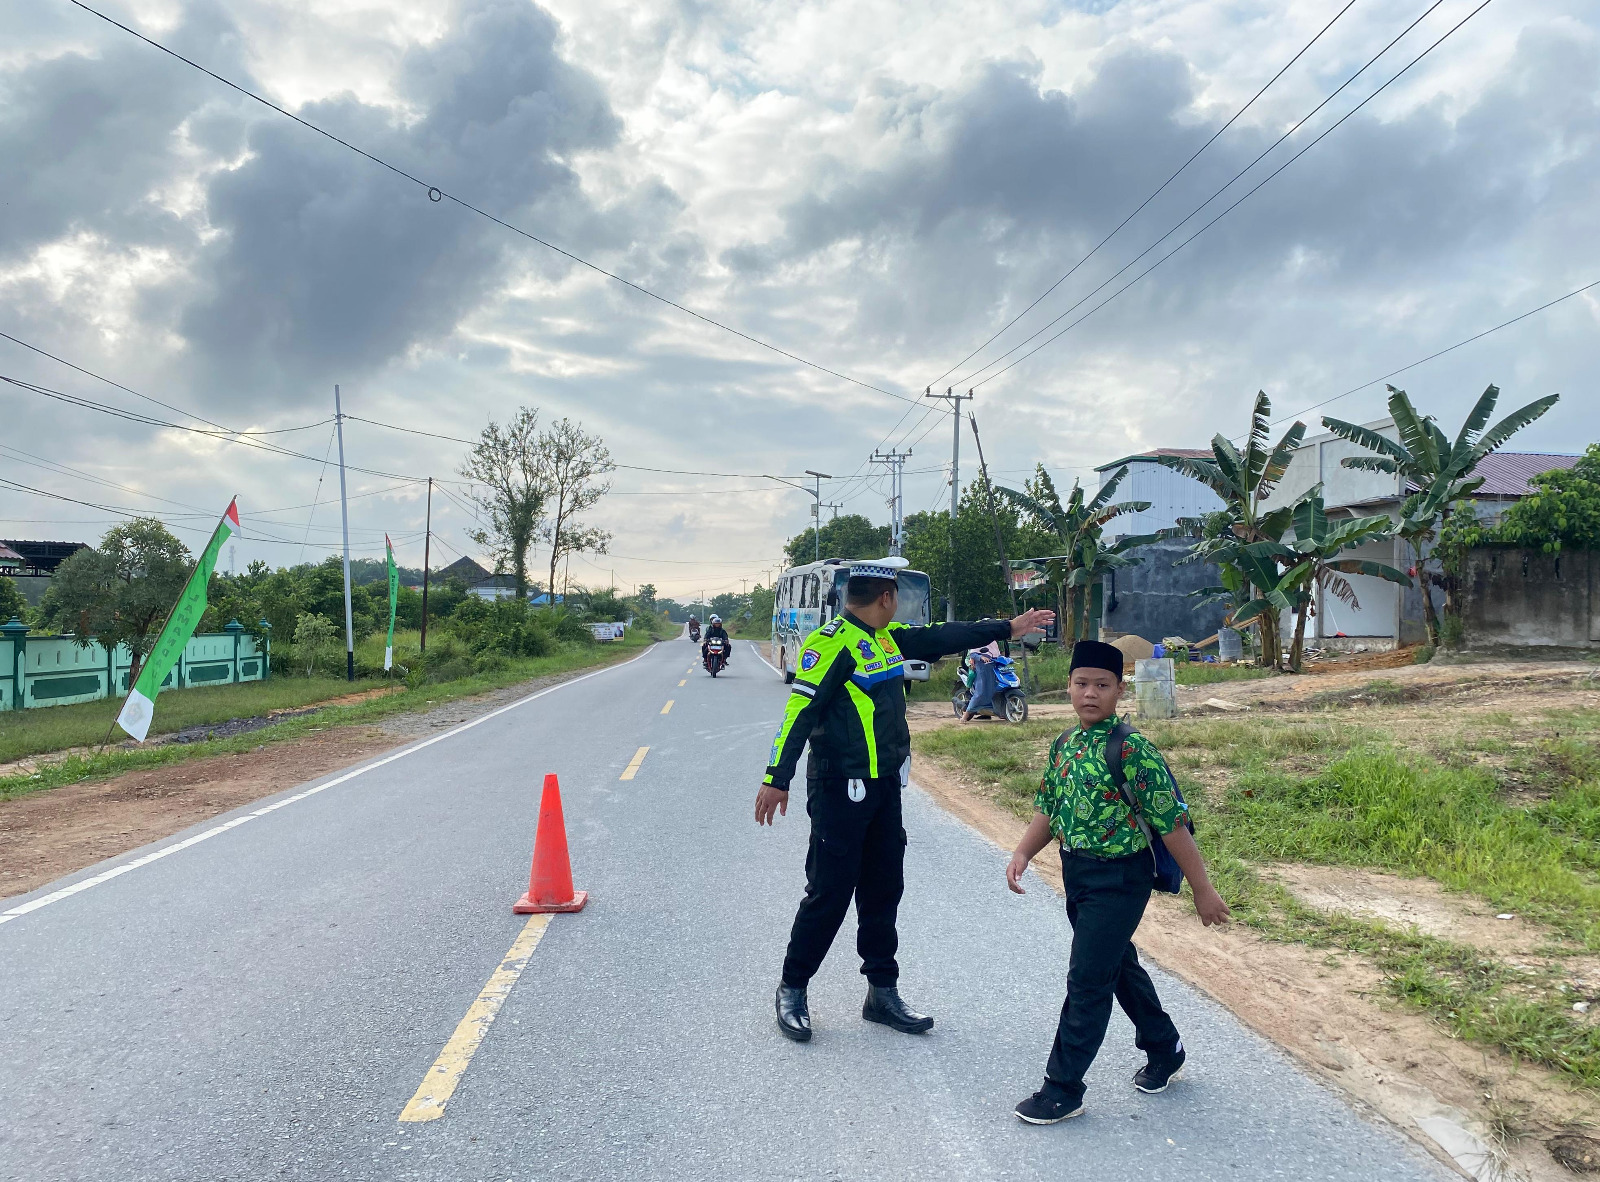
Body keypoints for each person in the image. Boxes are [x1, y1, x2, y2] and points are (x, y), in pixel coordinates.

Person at [755, 557, 1053, 1042]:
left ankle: (882, 992)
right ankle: (792, 987)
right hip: (839, 789)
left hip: (883, 788)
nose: (901, 611)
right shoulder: (830, 646)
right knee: (829, 892)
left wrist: (1007, 627)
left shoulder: (887, 640)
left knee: (883, 887)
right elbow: (799, 712)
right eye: (898, 602)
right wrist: (776, 777)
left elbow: (941, 636)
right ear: (886, 598)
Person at [1005, 639, 1230, 1125]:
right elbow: (1050, 808)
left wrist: (1202, 889)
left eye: (1102, 685)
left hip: (1120, 878)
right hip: (1076, 871)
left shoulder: (1131, 748)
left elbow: (1172, 824)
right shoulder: (1064, 744)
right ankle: (1164, 1047)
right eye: (1081, 683)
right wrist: (1024, 851)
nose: (1090, 694)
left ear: (1119, 690)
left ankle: (1062, 1088)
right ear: (1068, 687)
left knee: (1087, 978)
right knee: (1115, 964)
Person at [961, 640, 1001, 722]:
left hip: (993, 668)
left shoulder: (993, 642)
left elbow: (998, 654)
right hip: (981, 668)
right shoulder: (979, 640)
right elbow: (972, 654)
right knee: (980, 692)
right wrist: (981, 657)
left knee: (995, 690)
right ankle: (965, 715)